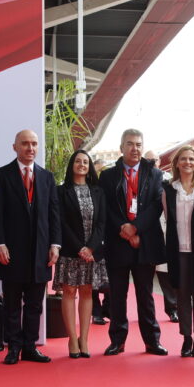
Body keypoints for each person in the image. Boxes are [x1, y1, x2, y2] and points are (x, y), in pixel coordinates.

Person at [0, 129, 61, 365]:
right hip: (11, 251)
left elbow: (54, 214)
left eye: (34, 144)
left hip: (40, 252)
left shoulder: (47, 177)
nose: (30, 148)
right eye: (25, 144)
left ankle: (30, 347)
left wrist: (55, 244)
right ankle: (13, 348)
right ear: (15, 147)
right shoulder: (1, 175)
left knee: (34, 304)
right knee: (11, 304)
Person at [98, 129, 168, 356]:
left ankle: (152, 341)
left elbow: (156, 206)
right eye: (130, 144)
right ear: (121, 148)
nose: (135, 148)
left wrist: (136, 228)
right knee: (117, 295)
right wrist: (125, 229)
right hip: (118, 241)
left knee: (145, 295)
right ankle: (117, 341)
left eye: (138, 144)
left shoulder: (155, 174)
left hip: (145, 242)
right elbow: (106, 207)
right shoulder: (108, 176)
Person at [55, 149, 107, 358]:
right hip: (70, 251)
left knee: (87, 292)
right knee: (69, 292)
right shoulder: (61, 191)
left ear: (89, 166)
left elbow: (102, 223)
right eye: (78, 161)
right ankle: (72, 339)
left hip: (92, 252)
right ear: (72, 165)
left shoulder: (98, 191)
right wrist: (79, 247)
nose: (82, 165)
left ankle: (84, 339)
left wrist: (91, 247)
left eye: (86, 162)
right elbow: (61, 223)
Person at [163, 144, 194, 357]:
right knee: (182, 295)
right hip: (178, 250)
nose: (187, 163)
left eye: (191, 159)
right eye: (183, 159)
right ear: (177, 163)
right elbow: (167, 218)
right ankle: (186, 338)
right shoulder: (168, 189)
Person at [145, 149, 179, 322]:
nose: (151, 163)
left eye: (154, 160)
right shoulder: (140, 179)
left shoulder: (167, 180)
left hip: (166, 232)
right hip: (147, 234)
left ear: (160, 161)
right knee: (145, 277)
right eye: (148, 160)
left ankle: (172, 308)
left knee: (166, 274)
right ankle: (147, 312)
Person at [91, 158, 110, 326]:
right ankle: (96, 313)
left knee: (110, 280)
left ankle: (107, 309)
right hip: (93, 241)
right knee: (93, 282)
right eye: (97, 171)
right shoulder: (91, 191)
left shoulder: (110, 187)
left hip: (110, 239)